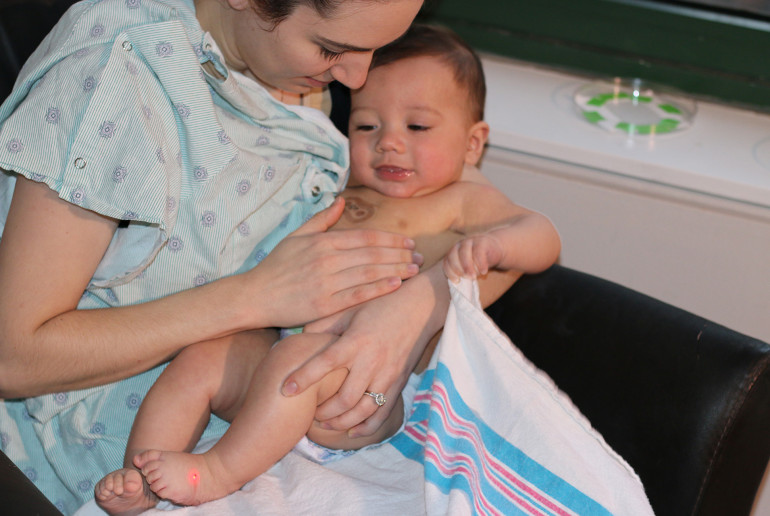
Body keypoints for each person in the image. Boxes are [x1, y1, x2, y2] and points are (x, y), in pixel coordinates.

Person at [94, 24, 561, 514]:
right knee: (201, 360)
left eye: (417, 127)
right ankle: (141, 479)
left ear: (472, 144)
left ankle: (217, 472)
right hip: (280, 354)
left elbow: (543, 234)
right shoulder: (338, 182)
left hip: (365, 394)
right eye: (367, 126)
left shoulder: (460, 201)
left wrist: (493, 245)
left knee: (296, 360)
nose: (389, 144)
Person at [0, 0, 434, 513]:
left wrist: (397, 331)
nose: (358, 77)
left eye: (376, 49)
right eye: (331, 48)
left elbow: (465, 224)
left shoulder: (288, 69)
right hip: (109, 456)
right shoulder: (115, 74)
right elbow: (14, 358)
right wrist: (254, 299)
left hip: (254, 410)